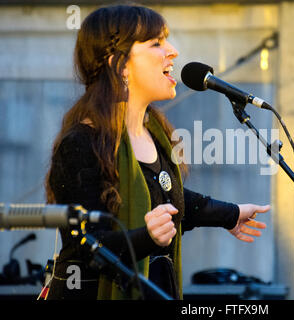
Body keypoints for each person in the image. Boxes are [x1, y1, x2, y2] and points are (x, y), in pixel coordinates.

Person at [45, 4, 270, 300]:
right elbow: (83, 244)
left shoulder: (156, 135)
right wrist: (146, 238)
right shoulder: (81, 143)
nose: (173, 51)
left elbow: (168, 198)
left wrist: (230, 214)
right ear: (120, 65)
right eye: (156, 43)